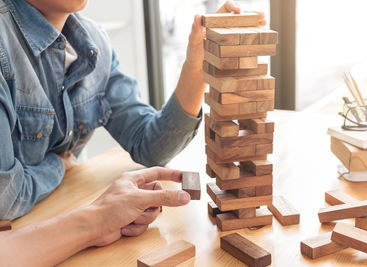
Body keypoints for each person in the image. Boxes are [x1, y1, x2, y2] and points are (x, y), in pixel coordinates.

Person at [0, 0, 266, 265]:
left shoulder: (92, 41)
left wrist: (197, 66)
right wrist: (58, 165)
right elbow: (4, 197)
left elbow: (151, 145)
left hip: (61, 230)